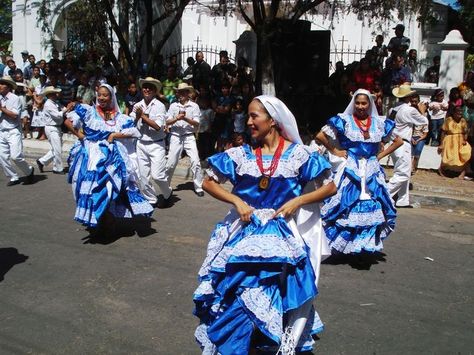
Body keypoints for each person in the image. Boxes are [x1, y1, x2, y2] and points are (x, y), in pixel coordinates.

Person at [193, 95, 337, 354]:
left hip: (282, 233)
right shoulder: (241, 155)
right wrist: (236, 200)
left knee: (279, 289)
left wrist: (298, 201)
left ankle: (272, 342)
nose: (248, 122)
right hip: (243, 232)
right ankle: (236, 343)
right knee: (239, 288)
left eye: (253, 116)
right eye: (248, 116)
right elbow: (208, 182)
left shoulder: (298, 155)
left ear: (272, 121)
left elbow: (330, 186)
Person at [316, 89, 402, 254]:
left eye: (364, 103)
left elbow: (398, 141)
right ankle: (344, 246)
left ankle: (364, 246)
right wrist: (336, 151)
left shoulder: (379, 123)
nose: (361, 106)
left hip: (371, 170)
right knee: (346, 203)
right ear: (353, 103)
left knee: (373, 202)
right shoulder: (344, 121)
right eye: (358, 103)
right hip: (351, 169)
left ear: (369, 104)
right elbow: (320, 136)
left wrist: (379, 156)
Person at [64, 84, 153, 230]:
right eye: (99, 95)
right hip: (89, 154)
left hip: (110, 155)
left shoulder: (118, 117)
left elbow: (133, 132)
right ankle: (96, 218)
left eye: (105, 95)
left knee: (109, 187)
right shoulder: (88, 111)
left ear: (111, 97)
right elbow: (68, 121)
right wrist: (82, 137)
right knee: (83, 186)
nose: (101, 98)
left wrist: (113, 135)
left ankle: (106, 219)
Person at [131, 77, 173, 208]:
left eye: (150, 87)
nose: (147, 89)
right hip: (141, 143)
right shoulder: (137, 105)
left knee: (158, 175)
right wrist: (137, 117)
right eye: (145, 87)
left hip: (156, 144)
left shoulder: (160, 106)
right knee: (143, 176)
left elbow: (158, 127)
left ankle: (167, 193)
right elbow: (131, 124)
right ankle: (151, 199)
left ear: (155, 91)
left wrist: (142, 116)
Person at [387, 84, 428, 208]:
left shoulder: (392, 109)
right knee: (403, 173)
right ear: (408, 97)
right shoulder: (409, 110)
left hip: (394, 142)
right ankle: (384, 194)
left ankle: (403, 200)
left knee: (402, 171)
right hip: (403, 144)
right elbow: (423, 122)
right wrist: (422, 111)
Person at [165, 82, 204, 196]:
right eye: (179, 92)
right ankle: (166, 186)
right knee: (171, 163)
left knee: (195, 161)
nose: (180, 94)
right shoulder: (173, 106)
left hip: (188, 136)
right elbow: (167, 121)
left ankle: (198, 186)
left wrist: (185, 118)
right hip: (176, 136)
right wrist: (177, 118)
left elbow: (196, 123)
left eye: (183, 92)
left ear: (188, 93)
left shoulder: (194, 106)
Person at [0, 76, 35, 186]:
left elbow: (15, 115)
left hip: (13, 130)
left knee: (15, 156)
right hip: (2, 130)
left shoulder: (15, 98)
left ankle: (29, 171)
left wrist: (2, 109)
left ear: (8, 86)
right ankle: (13, 177)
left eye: (2, 83)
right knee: (2, 157)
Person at [36, 86, 66, 174]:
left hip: (56, 127)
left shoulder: (55, 103)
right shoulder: (48, 104)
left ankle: (42, 161)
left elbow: (63, 109)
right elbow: (57, 115)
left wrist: (67, 108)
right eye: (54, 93)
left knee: (56, 148)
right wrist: (66, 109)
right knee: (57, 149)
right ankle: (58, 168)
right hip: (51, 127)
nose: (56, 94)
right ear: (49, 95)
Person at [438, 105, 471, 179]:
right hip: (450, 140)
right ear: (454, 112)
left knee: (466, 154)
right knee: (449, 156)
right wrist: (441, 144)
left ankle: (463, 173)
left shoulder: (463, 120)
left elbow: (466, 131)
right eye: (458, 112)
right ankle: (441, 169)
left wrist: (465, 139)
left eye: (461, 112)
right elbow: (443, 132)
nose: (460, 113)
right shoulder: (448, 120)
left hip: (461, 140)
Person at [409, 94, 429, 175]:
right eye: (412, 101)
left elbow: (426, 129)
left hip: (420, 136)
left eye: (415, 101)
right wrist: (411, 138)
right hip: (410, 135)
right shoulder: (408, 111)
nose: (414, 103)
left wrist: (418, 139)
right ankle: (410, 168)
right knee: (409, 154)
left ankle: (414, 167)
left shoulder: (423, 113)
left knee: (417, 153)